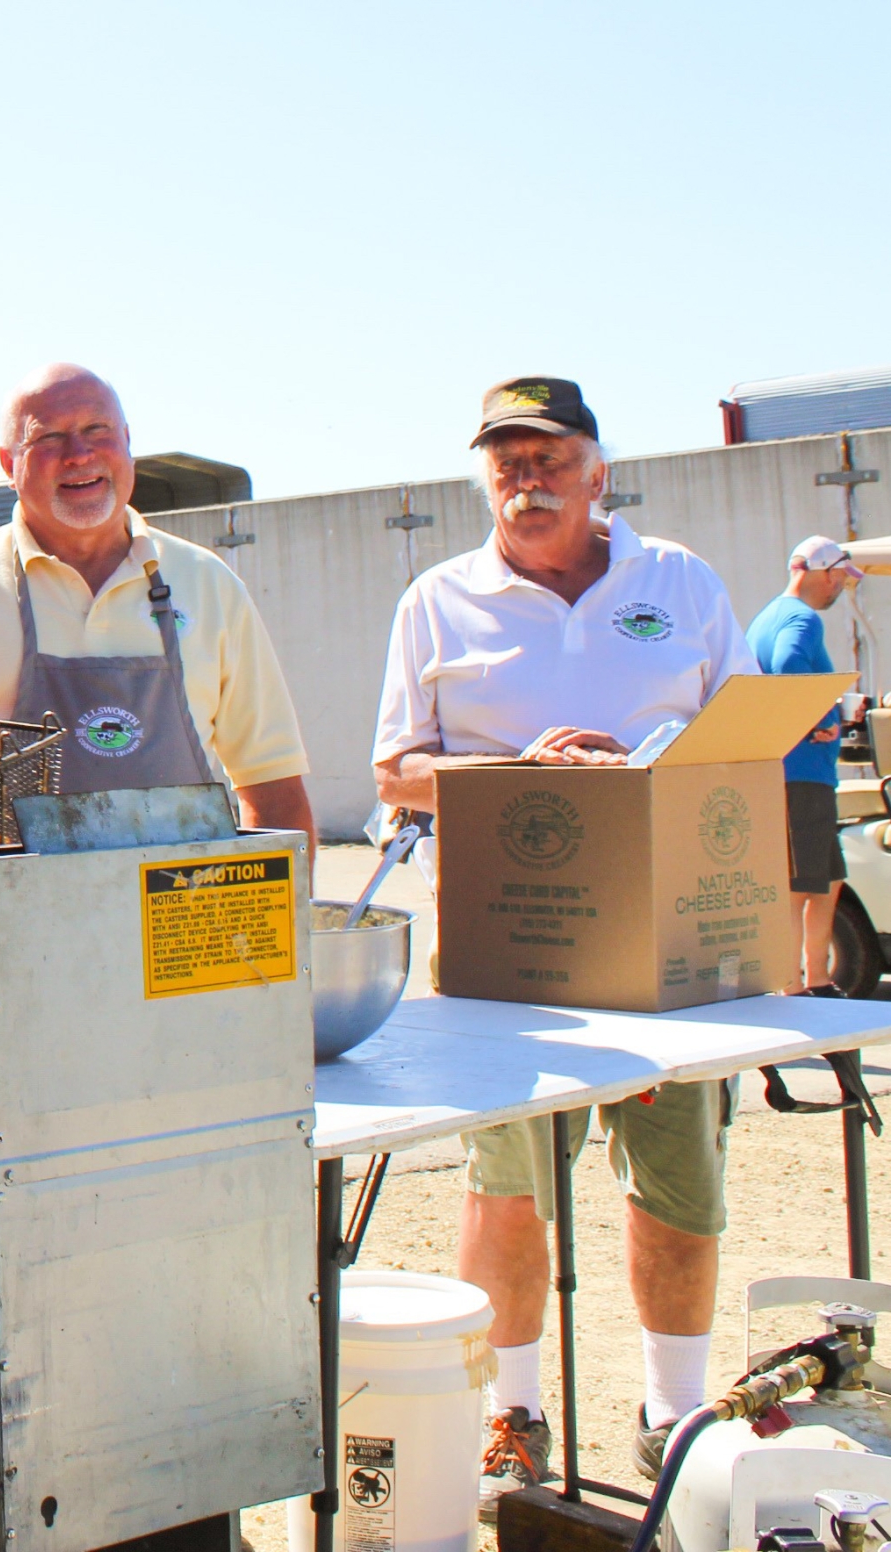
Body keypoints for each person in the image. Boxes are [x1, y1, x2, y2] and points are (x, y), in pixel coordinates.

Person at [372, 376, 761, 1503]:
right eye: (505, 464)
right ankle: (514, 1415)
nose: (525, 480)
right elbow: (394, 771)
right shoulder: (438, 599)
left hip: (666, 940)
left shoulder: (678, 581)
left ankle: (673, 1414)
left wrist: (637, 766)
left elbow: (743, 734)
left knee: (676, 1182)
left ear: (598, 473)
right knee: (507, 1188)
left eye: (547, 459)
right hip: (510, 953)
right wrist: (517, 769)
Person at [0, 363, 314, 1025]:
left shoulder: (208, 584)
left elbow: (274, 791)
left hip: (187, 960)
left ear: (128, 442)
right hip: (2, 961)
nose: (79, 454)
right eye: (49, 438)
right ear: (8, 464)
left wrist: (290, 953)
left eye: (97, 430)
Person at [746, 536, 861, 995]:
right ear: (824, 573)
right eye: (840, 578)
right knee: (796, 886)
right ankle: (791, 986)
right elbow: (789, 662)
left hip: (798, 775)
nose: (841, 587)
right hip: (799, 776)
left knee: (828, 881)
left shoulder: (767, 616)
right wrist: (823, 718)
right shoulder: (802, 618)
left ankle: (818, 979)